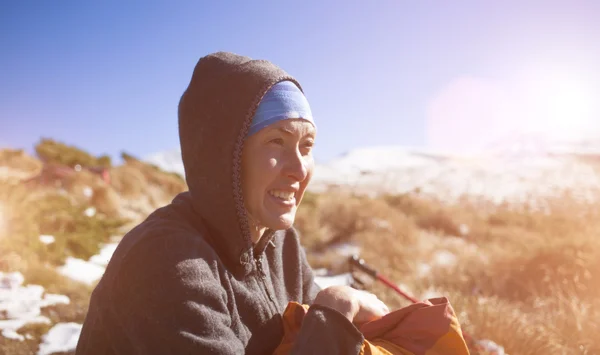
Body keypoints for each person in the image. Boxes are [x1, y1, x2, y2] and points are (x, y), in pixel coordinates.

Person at [75, 51, 389, 355]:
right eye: (277, 141)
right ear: (226, 156)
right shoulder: (167, 261)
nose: (299, 168)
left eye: (306, 146)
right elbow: (321, 328)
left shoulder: (281, 244)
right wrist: (333, 312)